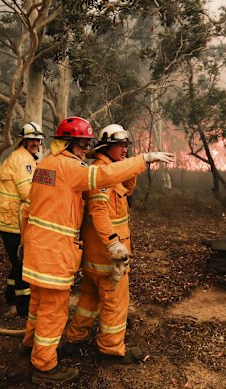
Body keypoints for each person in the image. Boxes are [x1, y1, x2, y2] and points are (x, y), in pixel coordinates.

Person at [18, 116, 174, 385]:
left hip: (36, 248)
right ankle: (44, 366)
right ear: (67, 143)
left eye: (86, 145)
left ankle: (31, 346)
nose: (83, 151)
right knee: (54, 311)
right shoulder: (71, 168)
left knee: (39, 304)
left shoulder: (45, 165)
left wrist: (23, 241)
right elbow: (101, 180)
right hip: (55, 253)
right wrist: (144, 159)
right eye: (80, 145)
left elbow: (28, 207)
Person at [61, 124, 143, 364]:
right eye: (121, 145)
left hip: (95, 257)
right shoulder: (100, 174)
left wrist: (126, 169)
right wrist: (114, 245)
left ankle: (73, 340)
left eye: (127, 145)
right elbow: (98, 212)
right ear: (107, 147)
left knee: (89, 300)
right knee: (115, 304)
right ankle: (111, 349)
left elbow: (127, 189)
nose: (125, 149)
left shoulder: (109, 171)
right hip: (108, 257)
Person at [0, 122, 44, 317]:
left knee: (16, 262)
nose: (36, 143)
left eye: (38, 139)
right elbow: (28, 193)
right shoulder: (23, 160)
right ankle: (24, 308)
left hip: (9, 220)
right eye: (32, 140)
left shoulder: (25, 157)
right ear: (24, 140)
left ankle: (10, 296)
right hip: (13, 222)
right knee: (23, 265)